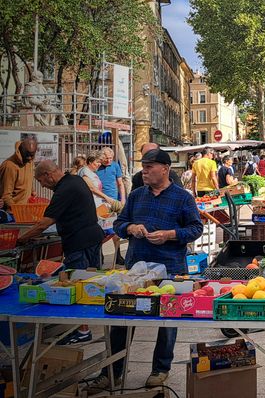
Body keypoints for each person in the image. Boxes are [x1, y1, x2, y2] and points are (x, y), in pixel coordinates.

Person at [89, 149, 203, 392]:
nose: (145, 170)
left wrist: (170, 235)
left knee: (167, 321)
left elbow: (195, 229)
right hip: (136, 269)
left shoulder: (183, 198)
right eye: (144, 166)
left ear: (165, 168)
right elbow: (119, 224)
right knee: (121, 320)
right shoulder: (137, 195)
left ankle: (160, 369)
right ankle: (112, 372)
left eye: (150, 166)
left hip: (170, 269)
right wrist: (131, 228)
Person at [20, 160, 106, 346]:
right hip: (91, 237)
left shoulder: (64, 190)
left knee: (76, 285)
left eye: (40, 181)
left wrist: (22, 238)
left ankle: (82, 330)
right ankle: (91, 324)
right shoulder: (75, 180)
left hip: (79, 242)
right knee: (91, 283)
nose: (42, 185)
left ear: (48, 175)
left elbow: (45, 222)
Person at [0, 136, 38, 206]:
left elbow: (27, 180)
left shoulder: (29, 162)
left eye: (32, 155)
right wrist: (16, 211)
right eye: (27, 154)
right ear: (20, 150)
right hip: (12, 212)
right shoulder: (9, 166)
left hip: (25, 209)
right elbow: (6, 196)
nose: (29, 158)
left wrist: (32, 191)